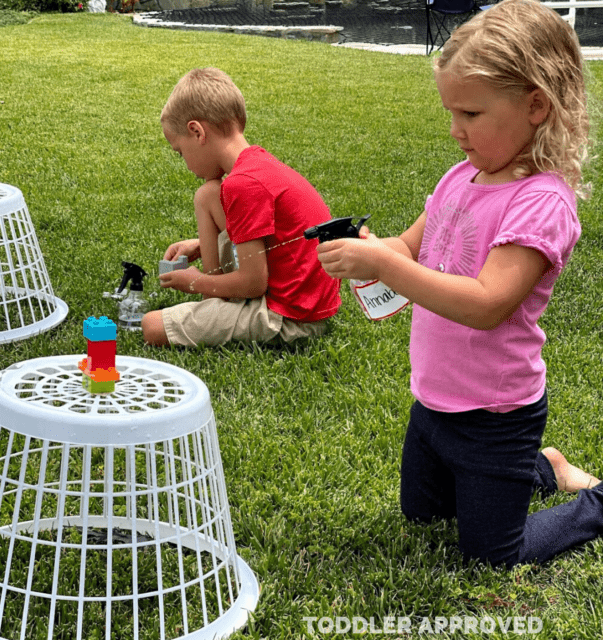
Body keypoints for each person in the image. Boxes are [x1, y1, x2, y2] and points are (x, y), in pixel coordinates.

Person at [317, 0, 601, 568]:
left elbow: (488, 304)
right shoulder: (459, 177)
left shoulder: (541, 202)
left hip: (495, 413)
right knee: (422, 516)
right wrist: (375, 254)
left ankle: (593, 501)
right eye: (451, 112)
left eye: (470, 113)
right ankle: (543, 467)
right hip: (434, 400)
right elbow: (407, 248)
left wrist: (389, 267)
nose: (456, 131)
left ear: (536, 106)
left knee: (493, 553)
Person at [142, 68, 341, 347]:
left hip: (290, 318)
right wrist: (202, 245)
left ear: (197, 132)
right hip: (301, 299)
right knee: (208, 194)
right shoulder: (254, 165)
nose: (185, 163)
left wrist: (194, 281)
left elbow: (253, 283)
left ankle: (214, 298)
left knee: (151, 326)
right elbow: (269, 236)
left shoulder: (242, 185)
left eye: (180, 152)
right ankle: (216, 299)